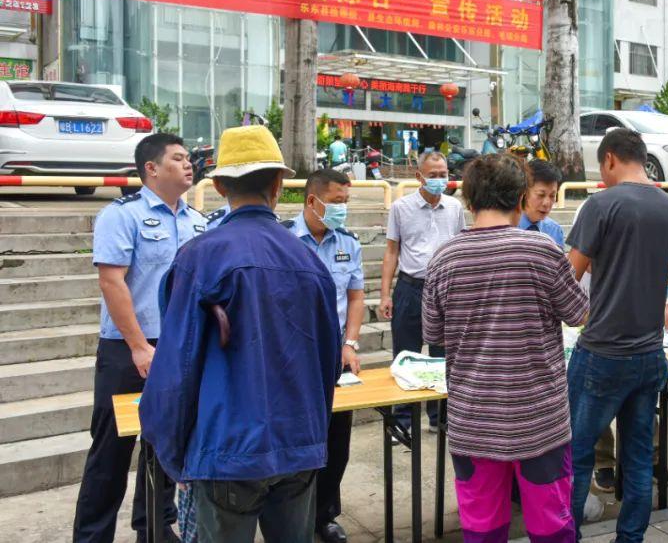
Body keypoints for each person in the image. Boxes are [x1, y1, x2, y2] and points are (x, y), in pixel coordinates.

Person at [139, 125, 341, 542]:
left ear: (217, 186)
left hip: (226, 451)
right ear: (279, 184)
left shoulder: (199, 258)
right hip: (297, 448)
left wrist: (176, 457)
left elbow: (175, 369)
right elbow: (328, 363)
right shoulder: (309, 260)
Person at [422, 154, 588, 543]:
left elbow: (434, 333)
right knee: (552, 528)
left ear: (468, 200)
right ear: (519, 199)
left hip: (473, 422)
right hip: (539, 422)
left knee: (482, 529)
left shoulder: (443, 258)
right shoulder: (542, 250)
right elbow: (579, 313)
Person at [73, 132, 206, 543]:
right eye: (179, 159)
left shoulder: (197, 221)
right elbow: (113, 283)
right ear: (151, 168)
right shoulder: (122, 215)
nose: (189, 166)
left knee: (168, 444)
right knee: (111, 452)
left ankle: (154, 527)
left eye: (189, 160)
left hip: (178, 348)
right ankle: (93, 536)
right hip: (126, 349)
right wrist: (137, 346)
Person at [566, 127, 668, 542]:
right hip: (649, 353)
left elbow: (568, 277)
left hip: (601, 351)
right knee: (636, 459)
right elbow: (660, 277)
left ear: (610, 159)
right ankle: (630, 538)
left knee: (577, 457)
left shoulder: (601, 204)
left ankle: (568, 536)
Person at [281, 169, 365, 543]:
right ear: (311, 201)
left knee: (337, 443)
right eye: (335, 202)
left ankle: (323, 516)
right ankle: (286, 517)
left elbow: (356, 296)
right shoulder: (282, 239)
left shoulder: (348, 242)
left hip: (335, 356)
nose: (341, 210)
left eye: (345, 202)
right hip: (291, 355)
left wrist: (351, 343)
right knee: (296, 441)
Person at [380, 151, 467, 437]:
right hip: (410, 287)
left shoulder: (455, 208)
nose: (439, 180)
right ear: (419, 176)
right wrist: (385, 294)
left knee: (444, 357)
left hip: (446, 291)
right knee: (406, 355)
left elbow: (460, 249)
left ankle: (439, 418)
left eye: (443, 174)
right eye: (433, 175)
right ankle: (402, 423)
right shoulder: (401, 208)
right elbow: (391, 252)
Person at [518, 159, 565, 248]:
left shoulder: (554, 231)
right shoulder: (507, 228)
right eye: (541, 195)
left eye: (552, 196)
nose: (547, 203)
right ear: (524, 192)